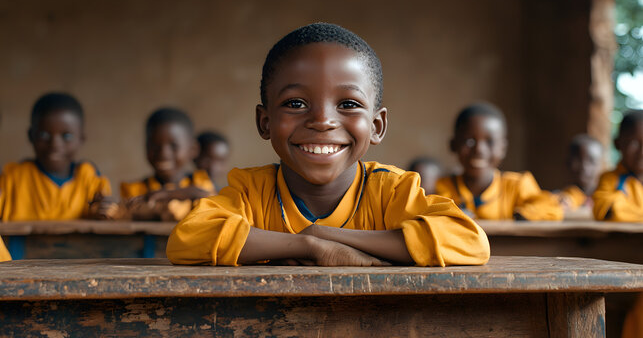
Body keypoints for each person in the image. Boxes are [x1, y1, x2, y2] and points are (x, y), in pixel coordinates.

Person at [167, 23, 489, 267]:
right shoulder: (252, 191)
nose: (322, 121)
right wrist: (308, 245)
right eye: (295, 103)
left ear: (377, 126)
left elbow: (470, 241)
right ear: (265, 122)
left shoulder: (391, 192)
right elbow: (188, 238)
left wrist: (327, 234)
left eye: (348, 104)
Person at [435, 103, 563, 220]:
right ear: (453, 145)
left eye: (489, 142)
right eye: (470, 141)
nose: (479, 150)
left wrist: (521, 216)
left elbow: (551, 207)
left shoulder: (517, 185)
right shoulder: (442, 187)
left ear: (503, 148)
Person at [0, 92, 116, 221]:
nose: (55, 145)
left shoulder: (89, 179)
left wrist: (103, 210)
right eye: (44, 135)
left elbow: (107, 213)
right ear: (31, 135)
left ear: (81, 139)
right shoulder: (12, 179)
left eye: (66, 136)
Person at [121, 108, 215, 221]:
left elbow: (209, 199)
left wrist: (167, 194)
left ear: (193, 149)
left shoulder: (200, 182)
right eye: (154, 145)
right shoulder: (134, 189)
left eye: (173, 146)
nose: (163, 154)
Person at [593, 110, 643, 222]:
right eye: (634, 143)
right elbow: (608, 210)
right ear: (617, 144)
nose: (641, 152)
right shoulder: (609, 180)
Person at [557, 134, 603, 211]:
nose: (584, 167)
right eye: (577, 160)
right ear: (568, 163)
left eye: (592, 161)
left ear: (601, 164)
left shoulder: (606, 200)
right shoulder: (558, 200)